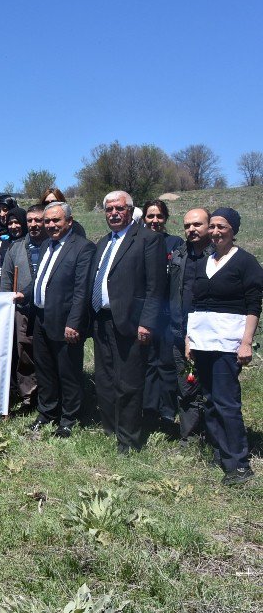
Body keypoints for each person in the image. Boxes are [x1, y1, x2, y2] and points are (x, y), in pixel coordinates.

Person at [186, 208, 262, 486]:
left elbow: (254, 305)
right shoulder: (205, 261)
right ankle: (221, 452)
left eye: (223, 227)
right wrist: (189, 339)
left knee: (227, 402)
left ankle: (239, 464)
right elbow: (194, 305)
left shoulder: (245, 262)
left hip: (228, 343)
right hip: (202, 341)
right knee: (209, 399)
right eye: (213, 226)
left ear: (234, 230)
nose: (216, 231)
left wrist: (245, 342)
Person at [90, 190, 166, 454]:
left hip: (132, 322)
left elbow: (156, 287)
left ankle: (129, 439)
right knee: (106, 378)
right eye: (109, 209)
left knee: (129, 383)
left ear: (130, 210)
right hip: (102, 320)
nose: (113, 213)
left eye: (119, 209)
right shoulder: (103, 243)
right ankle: (112, 428)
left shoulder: (148, 240)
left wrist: (147, 322)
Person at [17, 202, 95, 436]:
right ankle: (47, 412)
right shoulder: (45, 247)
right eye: (47, 221)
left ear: (69, 222)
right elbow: (41, 280)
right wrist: (25, 294)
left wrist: (74, 322)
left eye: (56, 220)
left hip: (66, 321)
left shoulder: (83, 248)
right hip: (41, 317)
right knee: (45, 369)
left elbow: (82, 290)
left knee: (68, 371)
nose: (50, 225)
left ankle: (69, 418)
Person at [169, 208, 213, 443]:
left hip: (211, 334)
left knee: (212, 388)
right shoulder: (179, 253)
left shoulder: (219, 255)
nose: (191, 229)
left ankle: (215, 436)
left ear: (209, 225)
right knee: (186, 388)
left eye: (197, 224)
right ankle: (190, 438)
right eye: (187, 225)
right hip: (180, 331)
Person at [141, 199, 185, 430]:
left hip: (167, 315)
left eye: (159, 216)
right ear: (143, 218)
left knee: (166, 364)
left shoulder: (175, 243)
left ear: (165, 218)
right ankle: (149, 410)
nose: (155, 221)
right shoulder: (138, 242)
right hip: (145, 315)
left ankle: (168, 412)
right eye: (150, 216)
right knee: (148, 363)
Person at [0, 205, 47, 410]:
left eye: (38, 220)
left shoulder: (53, 245)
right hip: (23, 310)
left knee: (47, 353)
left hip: (48, 309)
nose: (34, 225)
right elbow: (6, 279)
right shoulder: (16, 247)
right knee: (25, 352)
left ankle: (49, 393)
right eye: (30, 221)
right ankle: (28, 396)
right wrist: (5, 303)